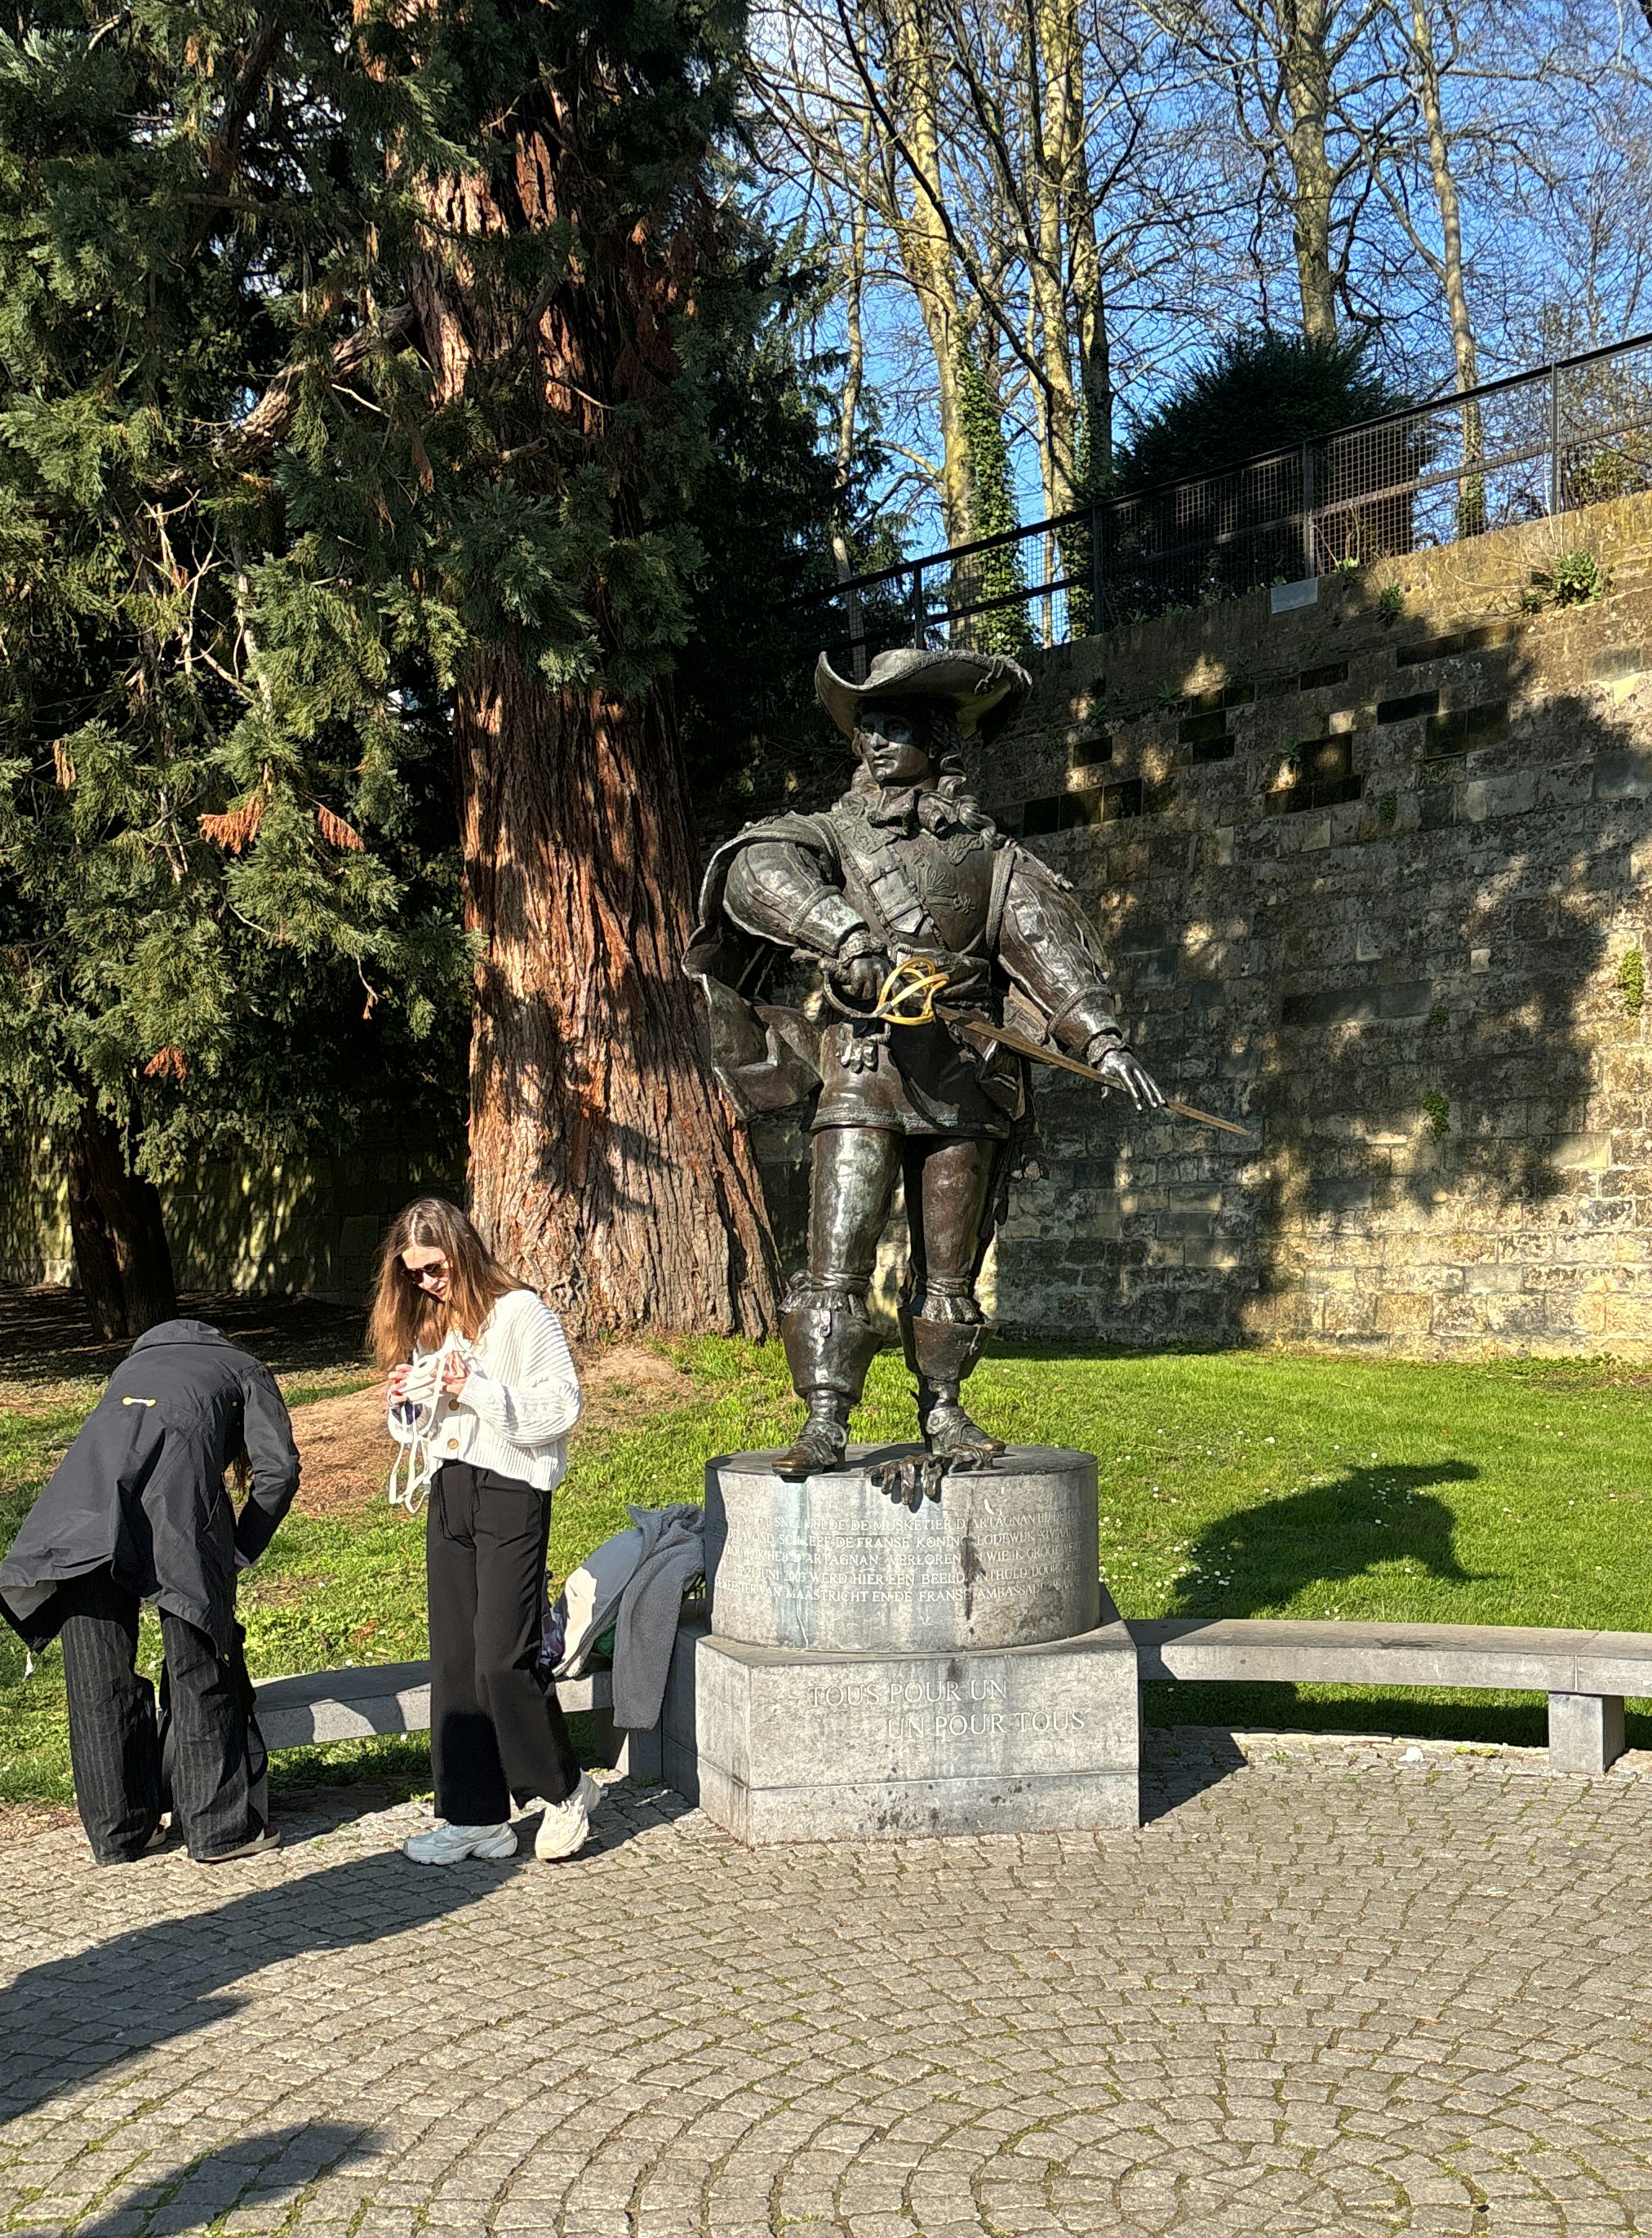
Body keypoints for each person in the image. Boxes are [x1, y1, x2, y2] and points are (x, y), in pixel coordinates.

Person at [690, 643, 1165, 1480]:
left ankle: (944, 1407)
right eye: (866, 726)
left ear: (938, 741)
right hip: (865, 1067)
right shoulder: (831, 836)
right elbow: (751, 869)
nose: (874, 742)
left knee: (951, 1268)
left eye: (895, 726)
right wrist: (840, 933)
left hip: (964, 1078)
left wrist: (1102, 1040)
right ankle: (825, 1418)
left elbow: (1045, 949)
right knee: (836, 1260)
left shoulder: (993, 857)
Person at [0, 1312, 300, 1866]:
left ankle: (121, 1832)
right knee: (200, 1663)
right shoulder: (244, 1367)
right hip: (178, 1516)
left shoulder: (130, 1369)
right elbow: (276, 1471)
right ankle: (220, 1830)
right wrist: (244, 1546)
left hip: (75, 1520)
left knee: (97, 1677)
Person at [371, 1198, 589, 1866]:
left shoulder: (522, 1313)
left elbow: (561, 1407)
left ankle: (565, 1790)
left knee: (503, 1656)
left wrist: (477, 1387)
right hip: (450, 1489)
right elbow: (419, 1430)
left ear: (462, 1252)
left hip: (512, 1488)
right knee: (456, 1662)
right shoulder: (433, 1323)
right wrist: (407, 1402)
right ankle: (473, 1816)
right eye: (412, 1274)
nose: (426, 1283)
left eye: (433, 1269)